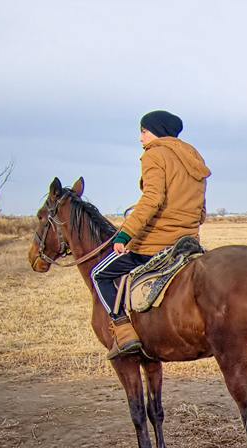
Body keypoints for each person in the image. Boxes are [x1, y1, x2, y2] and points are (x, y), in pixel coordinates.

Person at [91, 110, 211, 358]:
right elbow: (200, 211)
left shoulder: (154, 155)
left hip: (156, 244)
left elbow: (152, 199)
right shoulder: (193, 157)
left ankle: (124, 332)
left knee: (99, 273)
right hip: (187, 243)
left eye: (143, 131)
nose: (140, 137)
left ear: (155, 130)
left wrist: (124, 235)